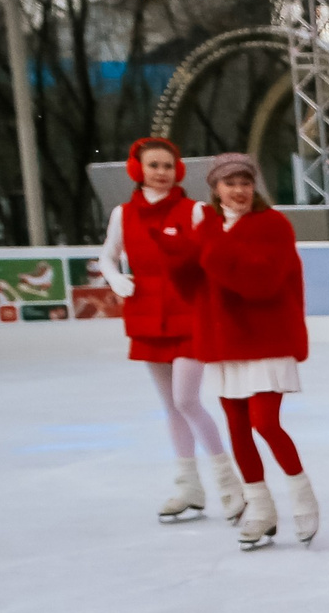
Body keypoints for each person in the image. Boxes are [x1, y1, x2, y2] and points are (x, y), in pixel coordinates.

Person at [96, 136, 239, 524]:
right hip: (145, 313)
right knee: (171, 406)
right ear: (138, 169)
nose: (161, 173)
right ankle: (188, 486)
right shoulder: (123, 214)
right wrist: (116, 278)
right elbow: (107, 256)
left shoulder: (194, 211)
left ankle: (229, 483)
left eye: (167, 166)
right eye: (153, 165)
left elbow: (214, 254)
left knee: (186, 400)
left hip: (188, 312)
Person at [190, 154, 317, 550]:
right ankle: (260, 509)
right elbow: (194, 283)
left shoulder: (272, 224)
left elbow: (263, 281)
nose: (239, 190)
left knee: (265, 423)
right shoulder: (207, 227)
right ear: (216, 189)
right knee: (238, 427)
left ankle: (302, 496)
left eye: (245, 182)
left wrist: (213, 249)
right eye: (230, 183)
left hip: (266, 339)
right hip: (225, 342)